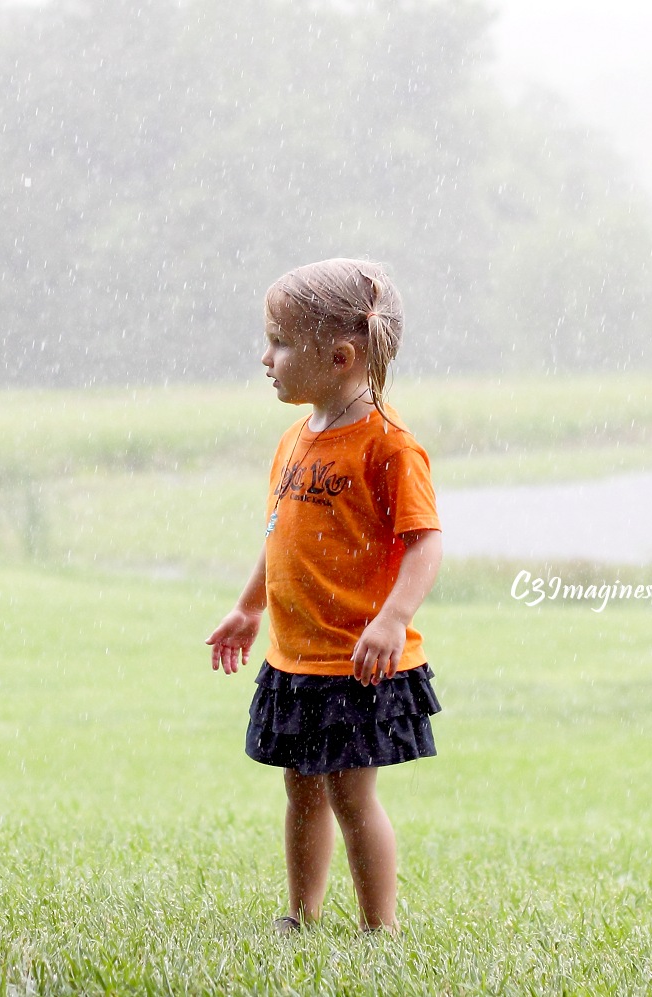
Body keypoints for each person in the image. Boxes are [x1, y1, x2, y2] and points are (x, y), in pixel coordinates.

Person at [205, 258, 443, 936]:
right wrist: (248, 606)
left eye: (279, 342)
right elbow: (279, 535)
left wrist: (393, 619)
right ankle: (301, 915)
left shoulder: (388, 446)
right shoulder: (293, 440)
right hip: (296, 658)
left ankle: (379, 928)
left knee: (349, 793)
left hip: (356, 661)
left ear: (340, 356)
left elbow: (425, 543)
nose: (265, 357)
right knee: (300, 788)